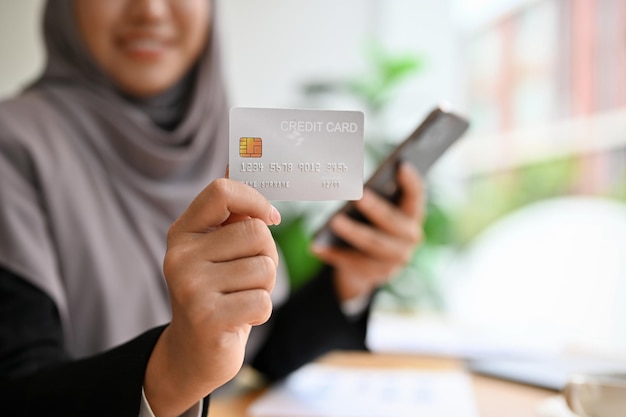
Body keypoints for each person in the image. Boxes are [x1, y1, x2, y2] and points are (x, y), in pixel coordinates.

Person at [0, 1, 425, 416]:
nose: (149, 10)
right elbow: (16, 390)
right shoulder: (12, 148)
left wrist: (351, 278)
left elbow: (258, 352)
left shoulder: (222, 138)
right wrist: (171, 367)